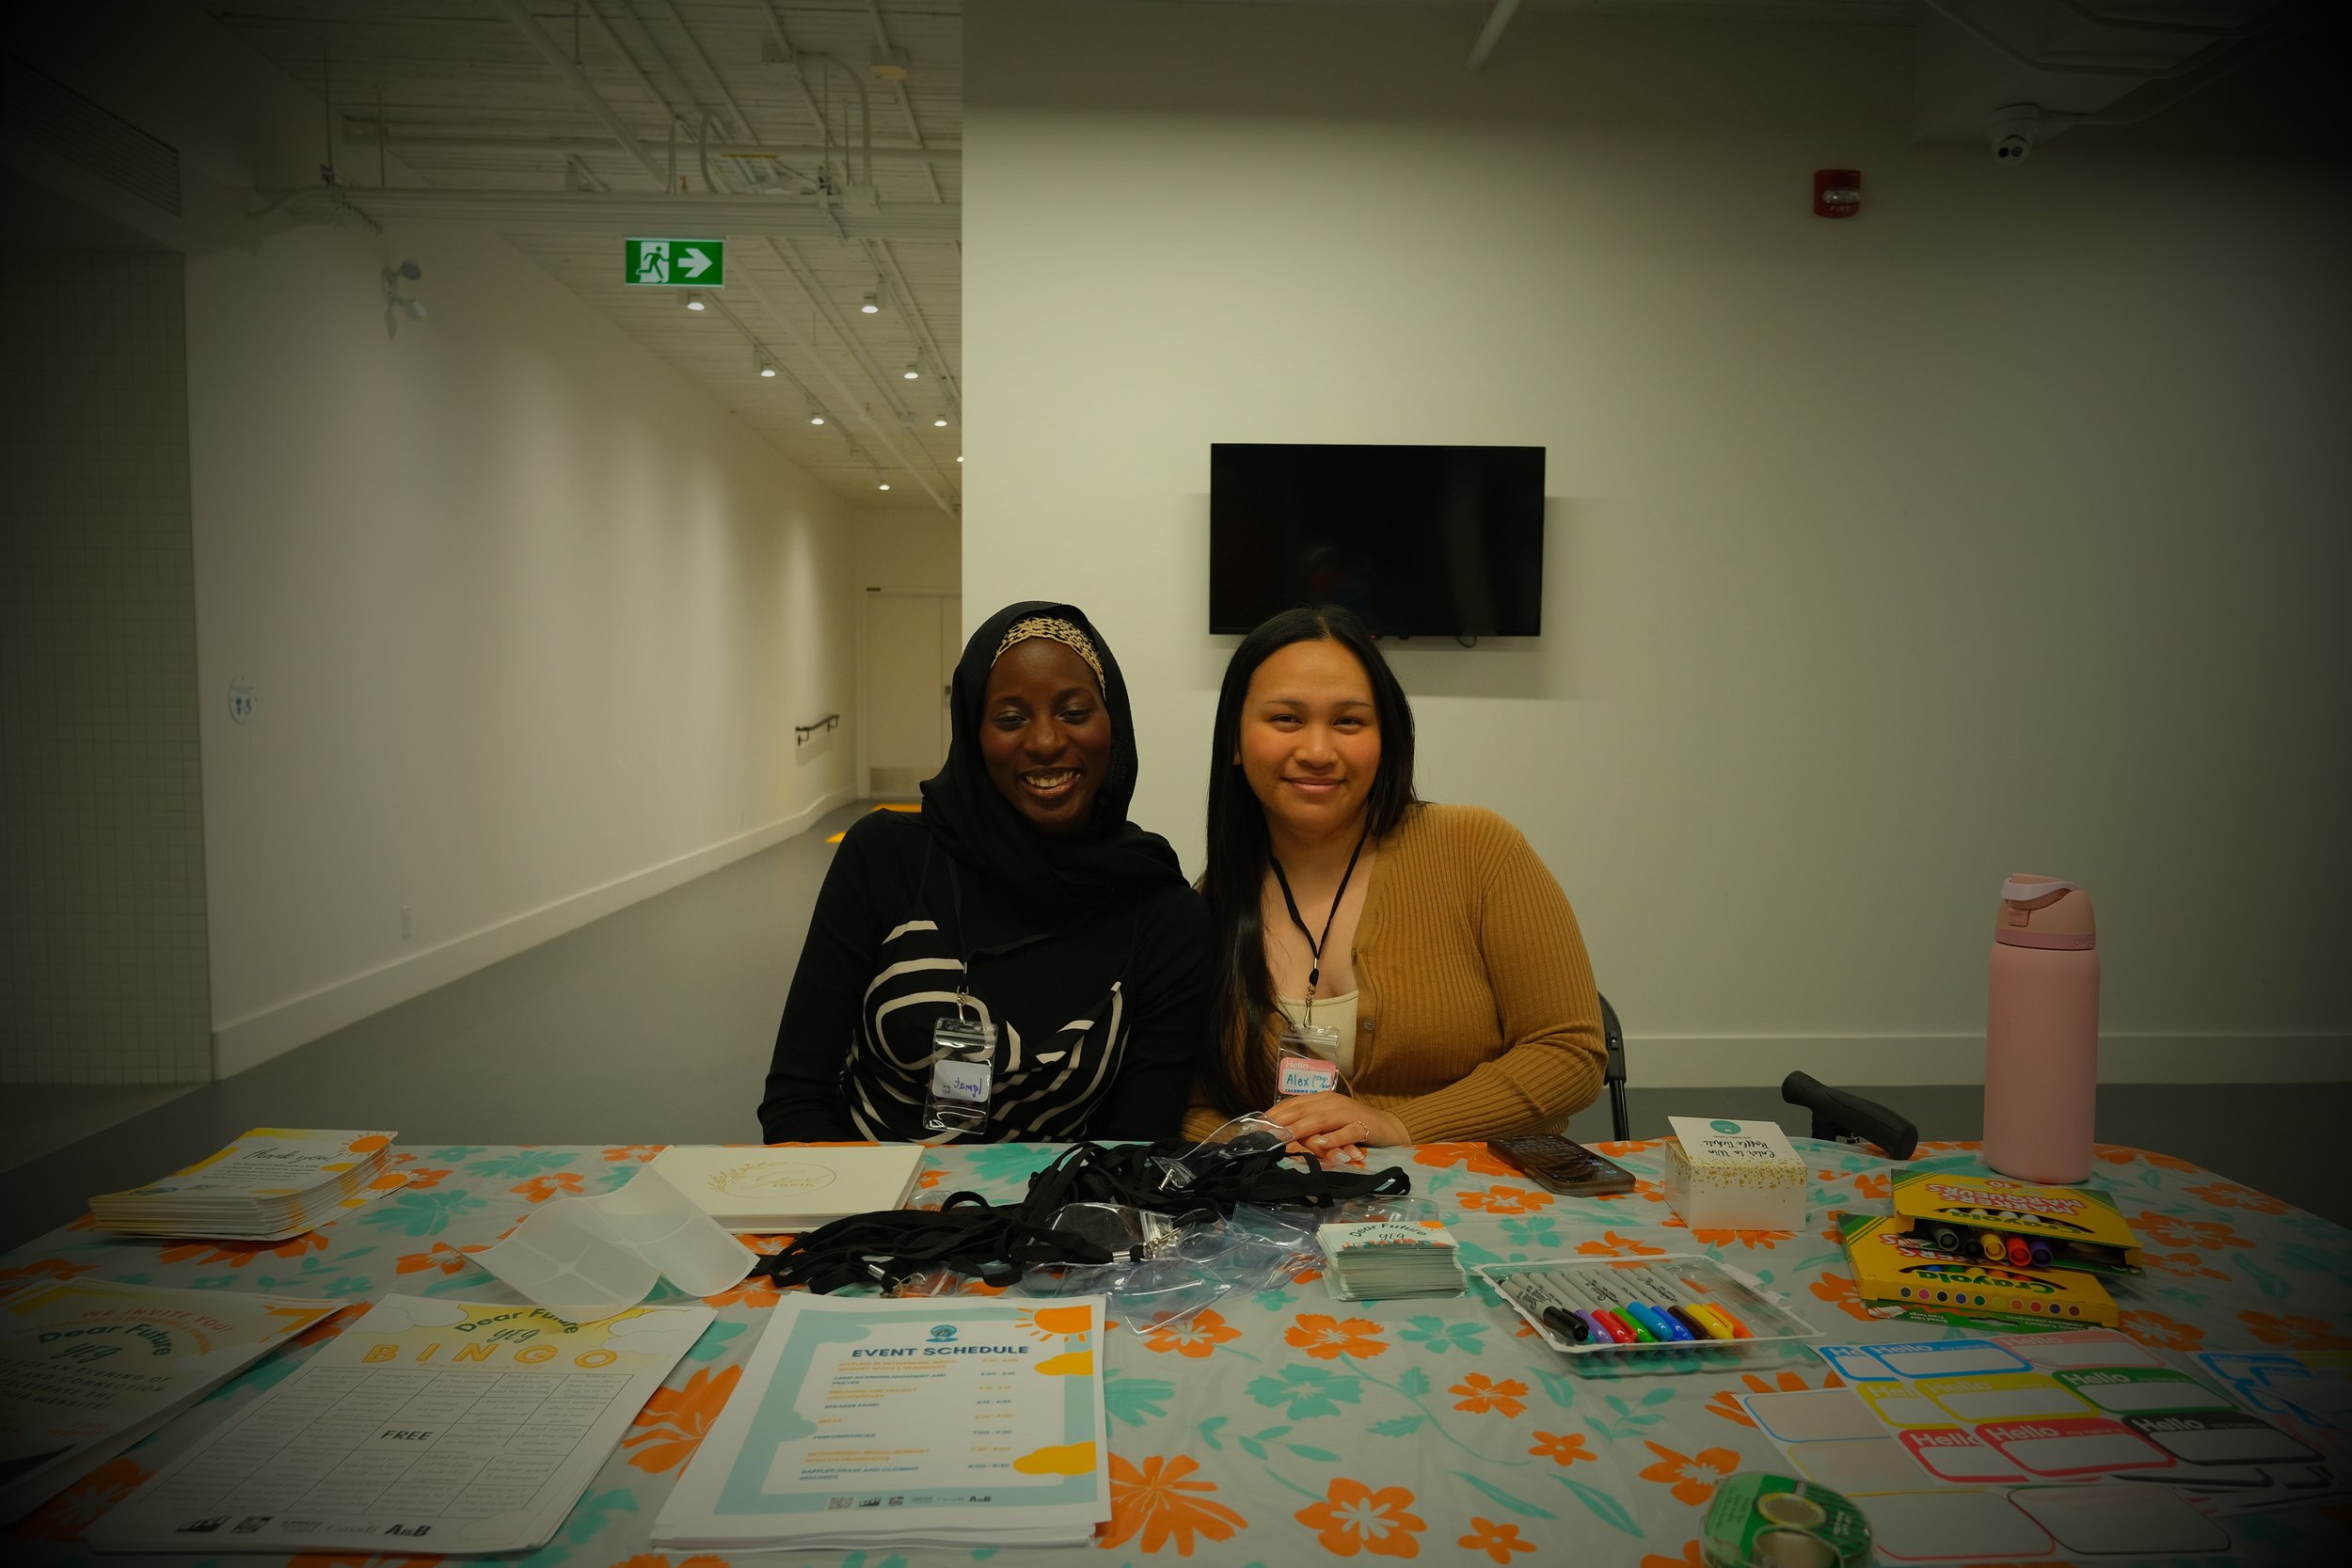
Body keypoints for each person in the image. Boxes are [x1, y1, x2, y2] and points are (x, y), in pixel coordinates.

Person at [761, 602, 1214, 1144]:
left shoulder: (1162, 910)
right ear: (974, 734)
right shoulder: (887, 857)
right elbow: (797, 1099)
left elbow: (1136, 1147)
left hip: (1058, 1217)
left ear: (1112, 725)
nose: (1045, 741)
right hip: (866, 1204)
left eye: (1073, 712)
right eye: (1010, 718)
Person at [1184, 604, 1603, 1155]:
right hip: (1292, 1217)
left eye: (1348, 721)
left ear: (1387, 740)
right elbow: (1188, 1101)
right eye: (1286, 718)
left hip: (1483, 1206)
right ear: (1236, 741)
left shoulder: (1477, 848)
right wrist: (1257, 1140)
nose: (1316, 751)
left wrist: (1400, 1126)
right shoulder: (1208, 904)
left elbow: (1569, 1051)